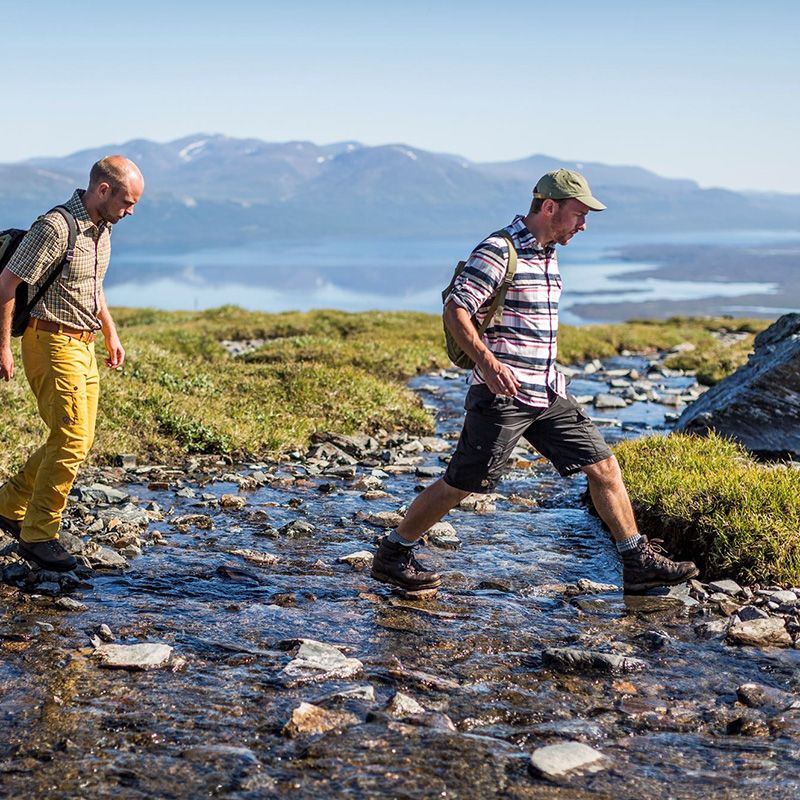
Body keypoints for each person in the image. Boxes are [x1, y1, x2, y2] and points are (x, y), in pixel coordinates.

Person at [371, 168, 699, 595]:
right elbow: (456, 308)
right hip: (502, 394)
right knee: (462, 483)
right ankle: (393, 553)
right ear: (549, 207)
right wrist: (488, 364)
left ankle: (637, 563)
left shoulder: (547, 253)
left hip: (547, 391)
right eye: (578, 214)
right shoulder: (498, 249)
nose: (583, 225)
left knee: (604, 467)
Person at [0, 156, 144, 571]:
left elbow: (93, 286)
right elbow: (6, 284)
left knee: (77, 438)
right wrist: (3, 347)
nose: (130, 211)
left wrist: (110, 332)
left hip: (84, 345)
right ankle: (38, 535)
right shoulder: (54, 227)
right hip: (49, 341)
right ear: (103, 190)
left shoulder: (103, 228)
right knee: (71, 438)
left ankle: (8, 504)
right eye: (127, 202)